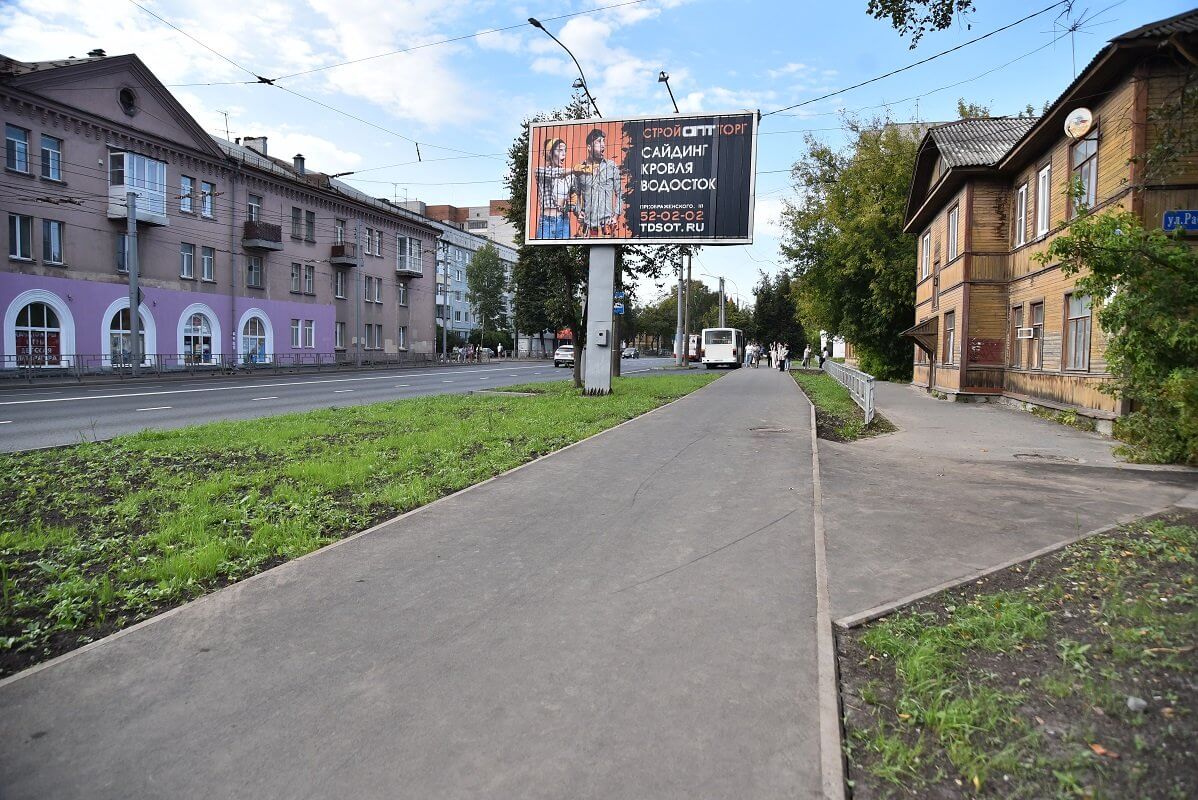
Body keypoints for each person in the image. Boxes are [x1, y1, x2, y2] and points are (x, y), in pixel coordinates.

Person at [574, 129, 622, 237]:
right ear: (589, 147)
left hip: (607, 227)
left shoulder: (611, 166)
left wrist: (616, 216)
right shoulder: (580, 170)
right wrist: (578, 211)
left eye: (604, 142)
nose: (603, 145)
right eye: (599, 142)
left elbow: (620, 194)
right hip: (587, 229)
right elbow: (575, 193)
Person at [534, 138, 575, 239]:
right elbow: (555, 173)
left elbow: (575, 196)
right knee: (542, 253)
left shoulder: (569, 176)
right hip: (546, 221)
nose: (564, 153)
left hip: (563, 220)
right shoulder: (540, 171)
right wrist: (575, 169)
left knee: (564, 252)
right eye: (560, 150)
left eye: (565, 150)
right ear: (550, 153)